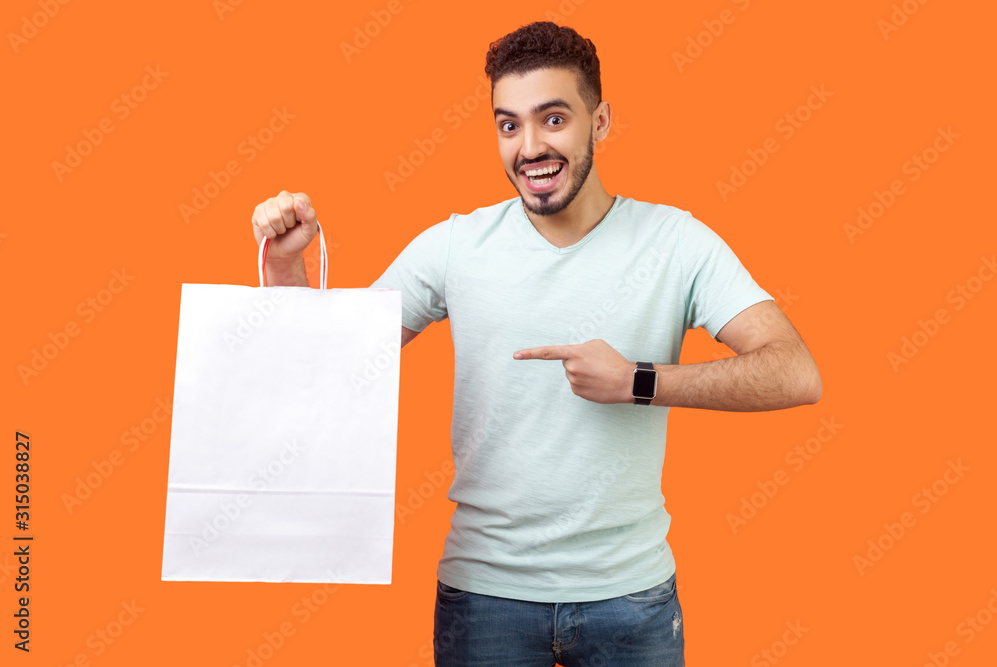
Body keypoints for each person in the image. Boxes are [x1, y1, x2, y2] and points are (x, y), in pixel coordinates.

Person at [250, 21, 821, 667]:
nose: (529, 147)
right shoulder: (454, 245)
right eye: (508, 124)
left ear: (599, 121)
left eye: (553, 119)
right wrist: (286, 264)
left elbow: (795, 372)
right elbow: (326, 362)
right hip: (484, 595)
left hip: (630, 598)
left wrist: (638, 380)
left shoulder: (677, 241)